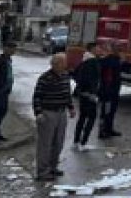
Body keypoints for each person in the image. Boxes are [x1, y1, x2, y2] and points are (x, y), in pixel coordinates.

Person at [31, 53, 76, 182]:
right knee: (45, 144)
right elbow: (37, 96)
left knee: (58, 142)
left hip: (61, 113)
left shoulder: (65, 76)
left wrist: (71, 107)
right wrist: (38, 113)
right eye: (63, 63)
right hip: (48, 113)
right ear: (55, 64)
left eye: (65, 63)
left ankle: (53, 167)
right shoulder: (45, 78)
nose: (65, 65)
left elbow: (67, 94)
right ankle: (42, 171)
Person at [71, 42, 103, 150]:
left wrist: (81, 87)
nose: (100, 50)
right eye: (98, 48)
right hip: (90, 95)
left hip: (82, 93)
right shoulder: (92, 62)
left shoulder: (84, 60)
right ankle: (83, 143)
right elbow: (93, 80)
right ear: (92, 49)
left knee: (82, 117)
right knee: (91, 118)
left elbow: (75, 74)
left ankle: (76, 141)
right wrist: (92, 93)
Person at [98, 42, 123, 138]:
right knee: (105, 111)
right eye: (117, 48)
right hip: (107, 90)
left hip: (114, 89)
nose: (119, 50)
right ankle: (102, 130)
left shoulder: (116, 59)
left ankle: (109, 128)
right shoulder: (107, 60)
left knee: (112, 110)